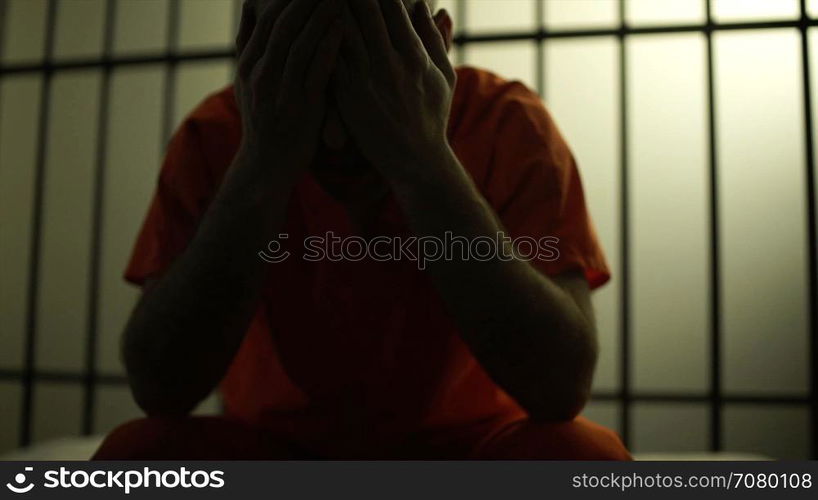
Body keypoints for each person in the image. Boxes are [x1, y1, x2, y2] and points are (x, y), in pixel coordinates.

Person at [93, 0, 630, 460]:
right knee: (136, 458)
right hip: (276, 449)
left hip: (469, 451)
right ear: (253, 49)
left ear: (435, 47)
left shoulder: (505, 123)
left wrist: (423, 156)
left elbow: (561, 385)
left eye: (367, 73)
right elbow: (159, 385)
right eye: (311, 76)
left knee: (584, 460)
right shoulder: (217, 137)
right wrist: (264, 160)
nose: (332, 138)